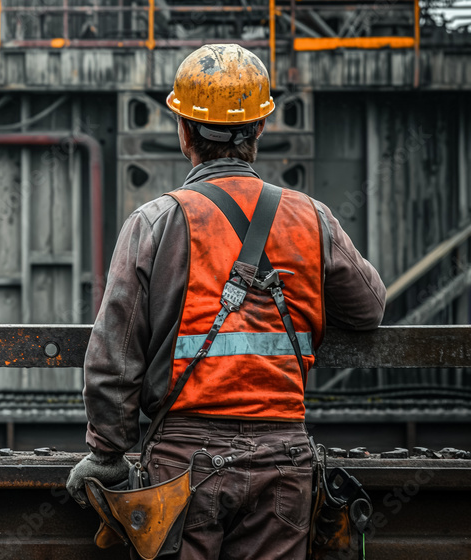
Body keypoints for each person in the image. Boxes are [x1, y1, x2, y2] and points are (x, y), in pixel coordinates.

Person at [66, 44, 385, 559]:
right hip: (284, 464)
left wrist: (107, 455)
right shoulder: (313, 218)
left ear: (183, 130)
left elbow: (113, 356)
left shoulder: (154, 222)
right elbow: (368, 309)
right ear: (259, 130)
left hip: (185, 467)